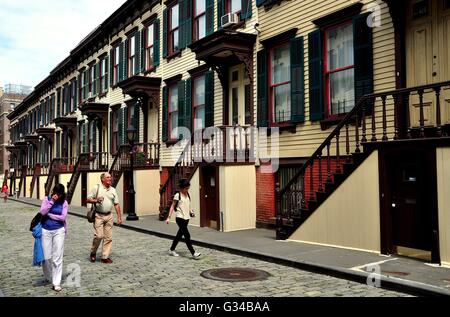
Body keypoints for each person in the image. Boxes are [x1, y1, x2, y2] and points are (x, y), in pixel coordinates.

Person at [86, 172, 122, 264]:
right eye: (108, 177)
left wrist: (119, 217)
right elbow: (87, 199)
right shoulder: (96, 188)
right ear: (103, 179)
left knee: (108, 237)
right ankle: (93, 252)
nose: (110, 178)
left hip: (109, 216)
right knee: (99, 236)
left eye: (110, 177)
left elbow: (116, 204)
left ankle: (104, 257)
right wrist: (96, 200)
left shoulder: (113, 190)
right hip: (98, 215)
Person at [39, 183, 69, 292]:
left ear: (62, 194)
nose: (57, 195)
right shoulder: (47, 199)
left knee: (57, 257)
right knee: (46, 257)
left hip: (59, 230)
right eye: (55, 193)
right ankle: (49, 276)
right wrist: (52, 202)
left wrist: (50, 215)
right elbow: (42, 212)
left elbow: (63, 217)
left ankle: (56, 282)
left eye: (59, 194)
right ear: (53, 192)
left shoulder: (64, 203)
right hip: (46, 230)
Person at [166, 179, 201, 259]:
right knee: (187, 235)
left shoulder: (188, 194)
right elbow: (172, 206)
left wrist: (191, 212)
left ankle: (171, 250)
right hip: (180, 217)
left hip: (186, 218)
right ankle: (193, 253)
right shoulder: (177, 195)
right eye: (186, 188)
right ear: (181, 188)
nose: (187, 190)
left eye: (188, 188)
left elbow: (188, 205)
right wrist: (169, 217)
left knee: (179, 235)